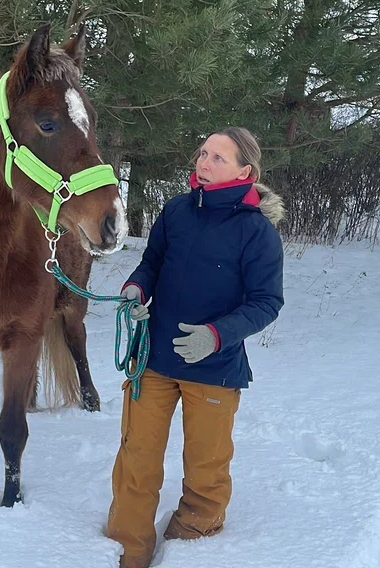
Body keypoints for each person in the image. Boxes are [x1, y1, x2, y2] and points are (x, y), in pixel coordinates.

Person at [106, 127, 286, 568]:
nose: (203, 163)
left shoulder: (257, 232)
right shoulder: (176, 211)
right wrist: (134, 291)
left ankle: (192, 545)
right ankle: (125, 550)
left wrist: (217, 335)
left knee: (206, 468)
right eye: (203, 153)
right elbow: (152, 263)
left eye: (217, 158)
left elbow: (267, 302)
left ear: (245, 171)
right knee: (136, 459)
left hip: (215, 368)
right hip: (153, 359)